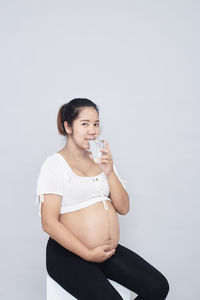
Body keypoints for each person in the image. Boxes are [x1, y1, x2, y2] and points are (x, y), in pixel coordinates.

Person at [35, 98, 170, 300]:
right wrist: (88, 255)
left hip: (105, 252)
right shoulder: (54, 165)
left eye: (96, 124)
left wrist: (109, 172)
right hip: (67, 254)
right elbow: (49, 223)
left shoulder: (102, 159)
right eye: (85, 124)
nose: (93, 130)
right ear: (68, 127)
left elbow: (123, 208)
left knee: (157, 286)